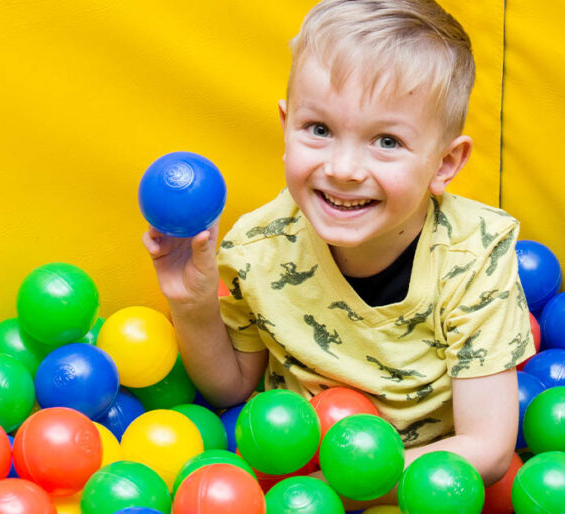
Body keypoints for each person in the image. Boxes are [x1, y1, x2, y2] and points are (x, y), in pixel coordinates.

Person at [143, 0, 534, 507]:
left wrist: (338, 484)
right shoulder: (257, 246)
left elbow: (488, 446)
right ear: (286, 127)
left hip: (416, 488)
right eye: (320, 130)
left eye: (387, 141)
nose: (344, 168)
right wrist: (193, 304)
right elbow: (233, 390)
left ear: (445, 162)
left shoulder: (474, 252)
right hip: (292, 480)